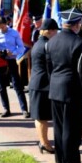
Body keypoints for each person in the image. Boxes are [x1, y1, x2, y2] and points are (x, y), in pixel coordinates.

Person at [46, 8, 82, 163]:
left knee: (59, 127)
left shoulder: (51, 41)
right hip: (72, 90)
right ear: (77, 24)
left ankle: (61, 160)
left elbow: (49, 68)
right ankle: (72, 162)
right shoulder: (80, 43)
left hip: (55, 88)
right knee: (72, 129)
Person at [29, 19, 60, 154]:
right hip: (42, 85)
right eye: (55, 31)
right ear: (50, 31)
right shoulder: (46, 46)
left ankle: (43, 142)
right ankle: (45, 144)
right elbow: (51, 67)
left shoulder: (39, 43)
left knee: (40, 117)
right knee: (41, 117)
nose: (57, 34)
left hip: (38, 83)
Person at [0, 17, 29, 118]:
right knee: (1, 87)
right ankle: (6, 109)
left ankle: (24, 109)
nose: (1, 29)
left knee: (17, 85)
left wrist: (13, 52)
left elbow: (21, 47)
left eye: (2, 27)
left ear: (6, 23)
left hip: (11, 60)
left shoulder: (14, 33)